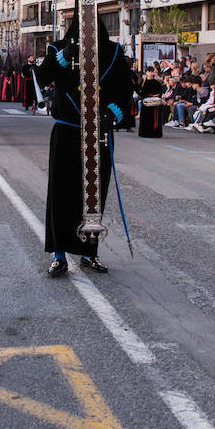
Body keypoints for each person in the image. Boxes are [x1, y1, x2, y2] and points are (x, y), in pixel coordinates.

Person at [34, 14, 134, 277]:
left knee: (93, 195)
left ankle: (90, 252)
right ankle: (59, 254)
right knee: (61, 193)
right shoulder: (58, 48)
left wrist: (114, 113)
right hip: (67, 130)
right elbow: (42, 78)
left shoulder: (112, 52)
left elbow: (126, 90)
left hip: (98, 133)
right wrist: (65, 55)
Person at [137, 66, 167, 138]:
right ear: (146, 72)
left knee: (154, 118)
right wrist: (144, 96)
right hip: (146, 102)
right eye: (148, 71)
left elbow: (160, 91)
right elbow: (139, 92)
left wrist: (157, 95)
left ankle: (155, 133)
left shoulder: (156, 82)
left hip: (154, 102)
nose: (150, 73)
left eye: (151, 72)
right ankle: (145, 133)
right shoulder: (143, 82)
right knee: (146, 117)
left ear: (153, 72)